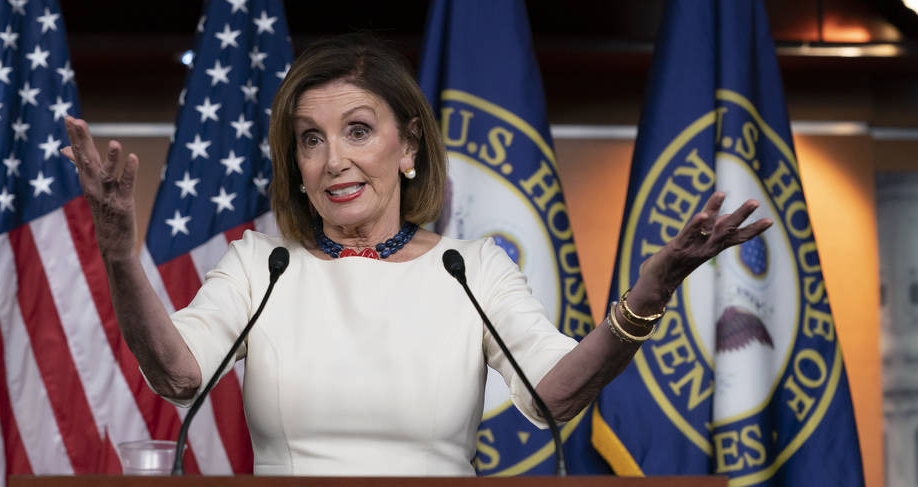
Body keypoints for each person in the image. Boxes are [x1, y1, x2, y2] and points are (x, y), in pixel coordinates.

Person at [60, 34, 770, 476]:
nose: (332, 159)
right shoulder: (262, 266)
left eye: (357, 130)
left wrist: (646, 297)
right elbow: (178, 374)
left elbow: (554, 393)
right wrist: (121, 254)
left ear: (407, 148)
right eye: (310, 139)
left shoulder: (471, 269)